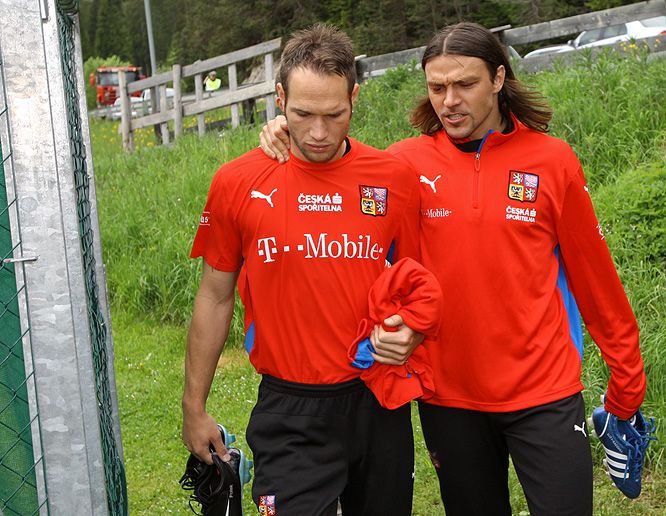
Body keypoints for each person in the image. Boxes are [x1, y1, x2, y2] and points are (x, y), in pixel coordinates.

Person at [258, 22, 647, 516]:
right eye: (437, 87)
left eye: (464, 84)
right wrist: (282, 134)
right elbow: (332, 170)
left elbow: (596, 282)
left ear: (499, 78)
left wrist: (627, 383)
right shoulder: (404, 166)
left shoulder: (552, 162)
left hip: (544, 390)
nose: (450, 101)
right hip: (450, 399)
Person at [182, 24, 426, 516]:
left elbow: (419, 285)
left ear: (354, 98)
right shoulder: (237, 181)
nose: (318, 132)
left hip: (377, 402)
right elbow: (215, 296)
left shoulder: (394, 179)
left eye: (334, 114)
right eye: (302, 114)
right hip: (289, 411)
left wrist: (414, 332)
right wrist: (194, 407)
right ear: (278, 98)